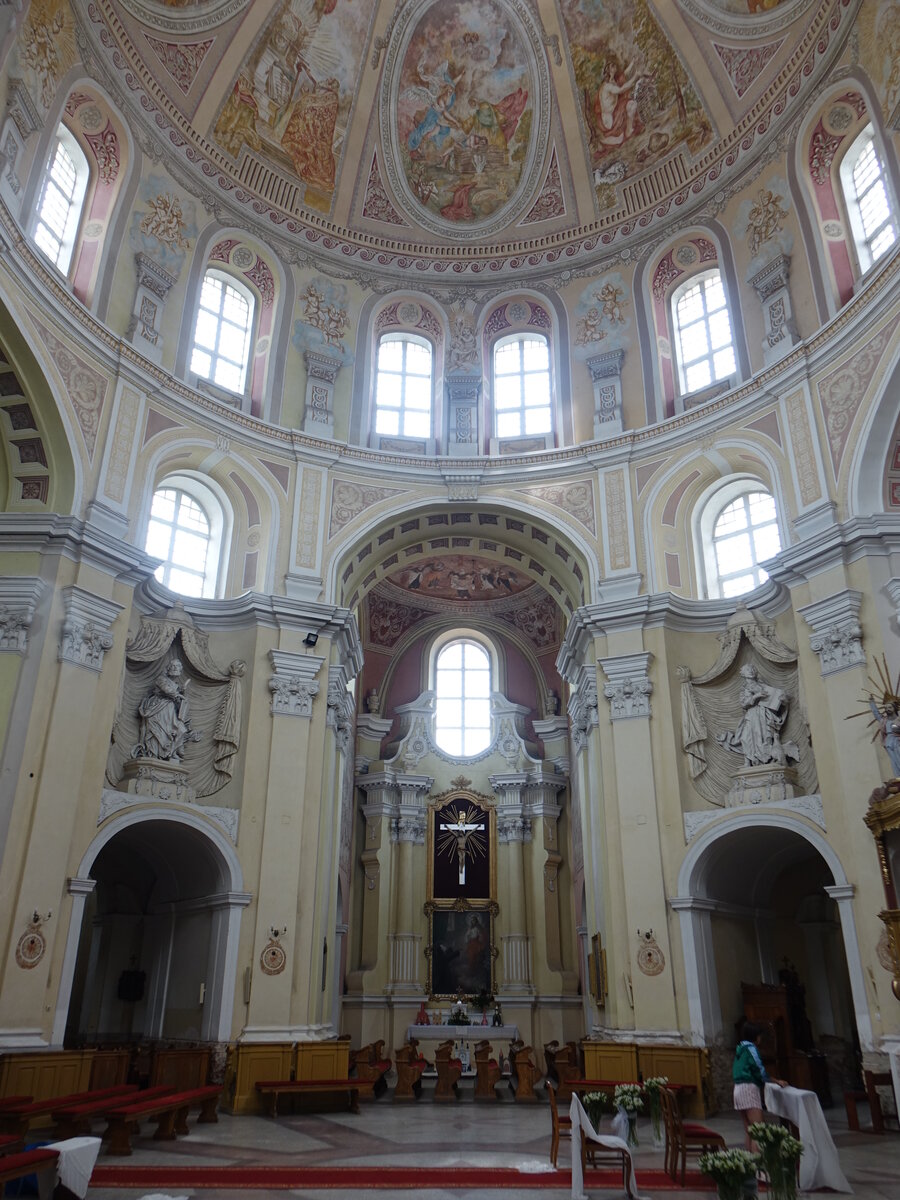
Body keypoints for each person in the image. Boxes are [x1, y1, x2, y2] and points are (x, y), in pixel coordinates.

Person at [717, 663, 799, 767]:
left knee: (764, 737)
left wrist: (782, 700)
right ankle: (748, 761)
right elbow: (743, 703)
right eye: (748, 670)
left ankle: (768, 761)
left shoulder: (762, 685)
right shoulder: (744, 688)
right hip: (751, 715)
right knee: (745, 737)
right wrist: (756, 696)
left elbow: (776, 699)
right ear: (743, 674)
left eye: (752, 669)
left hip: (763, 715)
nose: (751, 671)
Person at [733, 1021, 787, 1148]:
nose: (761, 1038)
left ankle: (751, 1163)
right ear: (755, 1036)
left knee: (750, 1131)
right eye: (759, 1035)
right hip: (748, 1089)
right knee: (759, 1130)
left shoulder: (740, 1049)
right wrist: (776, 1081)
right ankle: (759, 1164)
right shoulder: (751, 1049)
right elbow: (759, 1070)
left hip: (738, 1089)